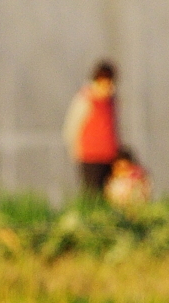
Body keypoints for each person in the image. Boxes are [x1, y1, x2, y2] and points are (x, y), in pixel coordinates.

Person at [63, 60, 119, 199]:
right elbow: (72, 126)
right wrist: (75, 148)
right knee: (91, 193)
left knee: (107, 195)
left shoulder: (111, 100)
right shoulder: (85, 99)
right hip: (90, 155)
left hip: (108, 155)